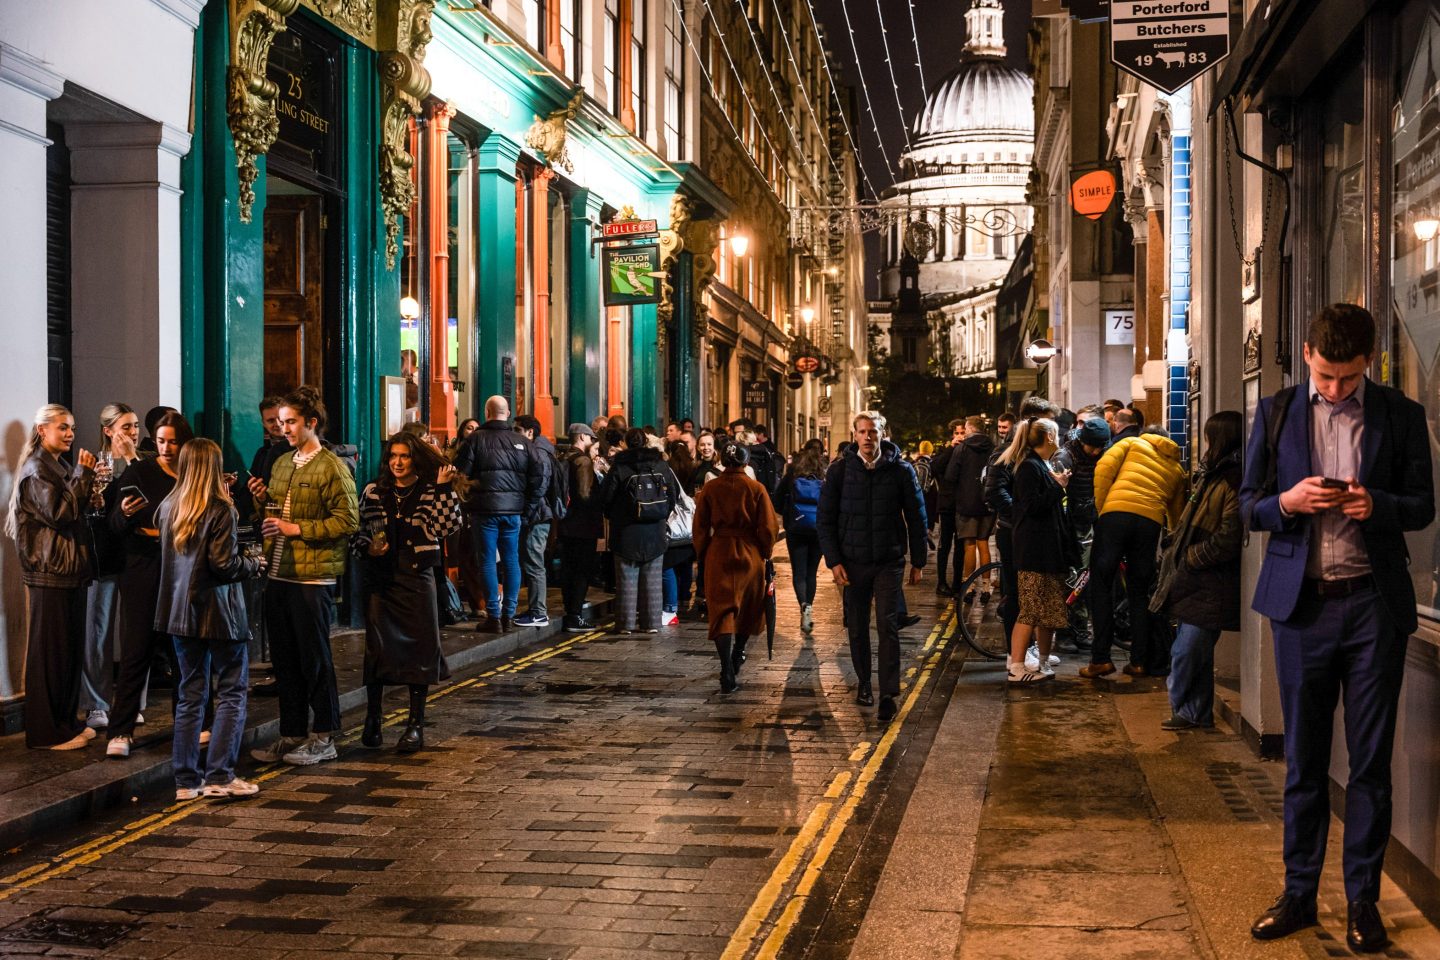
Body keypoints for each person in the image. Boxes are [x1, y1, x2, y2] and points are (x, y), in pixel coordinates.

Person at [1240, 304, 1434, 952]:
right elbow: (1247, 507)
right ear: (1306, 354)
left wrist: (1376, 505)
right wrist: (1287, 503)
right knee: (1305, 762)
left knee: (1371, 765)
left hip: (1374, 607)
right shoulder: (1275, 414)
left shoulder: (1400, 417)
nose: (1335, 390)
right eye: (1325, 376)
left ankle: (1363, 904)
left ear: (1370, 363)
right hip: (1303, 609)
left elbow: (1423, 505)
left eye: (1348, 379)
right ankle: (1299, 895)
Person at [248, 385, 359, 766]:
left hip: (313, 579)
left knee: (315, 659)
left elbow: (348, 520)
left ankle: (324, 735)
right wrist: (261, 501)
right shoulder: (281, 463)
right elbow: (274, 514)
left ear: (311, 422)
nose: (284, 429)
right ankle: (292, 733)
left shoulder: (332, 466)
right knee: (285, 660)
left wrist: (297, 529)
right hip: (279, 572)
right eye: (280, 423)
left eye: (291, 422)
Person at [155, 438, 264, 799]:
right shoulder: (221, 509)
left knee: (190, 695)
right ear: (215, 468)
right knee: (232, 691)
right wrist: (253, 563)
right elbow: (225, 565)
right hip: (220, 614)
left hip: (179, 614)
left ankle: (186, 781)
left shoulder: (168, 506)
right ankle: (220, 775)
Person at [355, 433, 464, 753]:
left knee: (420, 652)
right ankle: (372, 718)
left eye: (404, 456)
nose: (397, 463)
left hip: (418, 580)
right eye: (393, 456)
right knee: (377, 652)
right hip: (383, 582)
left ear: (414, 458)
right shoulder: (374, 492)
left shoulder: (431, 491)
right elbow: (358, 535)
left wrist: (444, 488)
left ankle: (415, 725)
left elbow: (448, 527)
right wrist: (370, 548)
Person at [817, 411, 927, 722]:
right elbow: (824, 520)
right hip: (852, 563)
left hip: (888, 561)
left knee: (888, 625)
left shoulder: (902, 471)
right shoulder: (839, 472)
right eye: (862, 431)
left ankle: (888, 693)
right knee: (857, 626)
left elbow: (917, 518)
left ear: (882, 434)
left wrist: (918, 561)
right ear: (855, 436)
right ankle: (864, 681)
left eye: (873, 432)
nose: (868, 437)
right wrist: (834, 561)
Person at [7, 405, 97, 750]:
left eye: (72, 427)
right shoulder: (38, 468)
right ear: (42, 430)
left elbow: (71, 509)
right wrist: (83, 475)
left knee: (69, 651)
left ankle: (65, 722)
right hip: (50, 571)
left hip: (67, 569)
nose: (70, 434)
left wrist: (88, 485)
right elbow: (60, 514)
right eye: (63, 427)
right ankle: (46, 732)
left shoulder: (56, 465)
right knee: (51, 652)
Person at [104, 411, 194, 757]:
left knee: (183, 649)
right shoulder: (140, 470)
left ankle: (191, 724)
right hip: (142, 566)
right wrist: (125, 514)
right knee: (135, 649)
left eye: (172, 441)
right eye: (160, 441)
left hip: (181, 567)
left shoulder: (193, 474)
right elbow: (114, 524)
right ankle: (121, 731)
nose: (166, 448)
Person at [1150, 411, 1242, 730]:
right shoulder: (1212, 474)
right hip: (1196, 579)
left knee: (1187, 650)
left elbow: (1229, 536)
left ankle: (1188, 709)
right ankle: (1194, 713)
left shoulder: (1231, 478)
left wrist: (1191, 556)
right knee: (1195, 652)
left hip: (1209, 579)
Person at [1082, 425, 1186, 679]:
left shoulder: (1130, 444)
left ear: (1147, 436)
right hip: (1149, 523)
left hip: (1115, 517)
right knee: (1139, 592)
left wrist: (1103, 506)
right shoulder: (1176, 468)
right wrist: (1172, 536)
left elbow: (1103, 469)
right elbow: (1177, 512)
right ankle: (1139, 662)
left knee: (1102, 585)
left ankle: (1101, 659)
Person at [453, 395, 543, 633]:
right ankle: (509, 614)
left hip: (484, 511)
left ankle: (493, 615)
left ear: (486, 412)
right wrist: (528, 507)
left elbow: (460, 474)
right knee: (512, 560)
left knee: (486, 562)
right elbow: (538, 477)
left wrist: (471, 498)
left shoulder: (475, 440)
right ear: (508, 412)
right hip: (513, 511)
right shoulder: (522, 441)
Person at [694, 441, 778, 692]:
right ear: (745, 461)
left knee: (721, 611)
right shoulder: (756, 488)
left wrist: (703, 552)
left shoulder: (711, 488)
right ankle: (738, 652)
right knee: (748, 608)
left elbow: (699, 526)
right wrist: (766, 553)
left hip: (719, 550)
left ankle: (725, 668)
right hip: (749, 552)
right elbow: (768, 528)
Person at [999, 418, 1073, 683]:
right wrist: (1058, 486)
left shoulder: (1041, 465)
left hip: (1049, 551)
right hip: (1033, 551)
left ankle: (1041, 663)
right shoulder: (1029, 467)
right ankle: (1016, 668)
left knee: (1049, 611)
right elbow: (1030, 507)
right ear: (1050, 436)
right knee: (1030, 610)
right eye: (1057, 433)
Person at [82, 403, 140, 731]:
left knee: (134, 634)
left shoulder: (141, 462)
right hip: (102, 556)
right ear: (108, 431)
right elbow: (89, 514)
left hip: (134, 557)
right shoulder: (94, 463)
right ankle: (95, 704)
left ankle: (133, 703)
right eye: (126, 427)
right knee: (97, 632)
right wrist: (92, 493)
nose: (133, 433)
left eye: (135, 426)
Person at [602, 427, 680, 634]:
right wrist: (660, 514)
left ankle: (626, 625)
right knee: (652, 580)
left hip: (626, 531)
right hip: (655, 530)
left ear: (625, 443)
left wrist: (615, 516)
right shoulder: (661, 465)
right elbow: (673, 495)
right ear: (646, 441)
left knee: (626, 579)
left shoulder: (619, 466)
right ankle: (652, 623)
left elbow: (606, 497)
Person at [1051, 416, 1111, 651]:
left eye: (1100, 447)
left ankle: (1080, 628)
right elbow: (1057, 495)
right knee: (1072, 578)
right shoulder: (1065, 457)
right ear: (1083, 441)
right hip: (1069, 526)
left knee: (1083, 579)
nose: (1096, 451)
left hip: (1090, 523)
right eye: (1093, 446)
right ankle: (1065, 630)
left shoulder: (1103, 453)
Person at [557, 423, 605, 633]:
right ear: (583, 437)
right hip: (583, 525)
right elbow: (585, 494)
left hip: (566, 523)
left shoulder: (564, 458)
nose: (593, 442)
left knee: (569, 569)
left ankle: (571, 609)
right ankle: (574, 615)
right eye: (591, 438)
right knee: (582, 570)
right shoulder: (583, 461)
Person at [776, 441, 826, 632]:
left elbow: (777, 501)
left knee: (799, 572)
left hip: (796, 529)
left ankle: (803, 605)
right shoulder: (824, 477)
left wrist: (789, 516)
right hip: (817, 529)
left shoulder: (791, 476)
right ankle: (809, 606)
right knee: (811, 572)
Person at [512, 414, 557, 628]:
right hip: (536, 515)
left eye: (518, 430)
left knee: (534, 562)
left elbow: (539, 488)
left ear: (530, 432)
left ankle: (539, 612)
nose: (514, 434)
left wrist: (526, 514)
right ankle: (534, 610)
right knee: (531, 561)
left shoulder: (539, 453)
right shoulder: (536, 450)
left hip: (538, 517)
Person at [948, 415, 996, 603]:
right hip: (986, 502)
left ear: (969, 429)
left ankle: (968, 588)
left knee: (969, 545)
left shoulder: (962, 448)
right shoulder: (992, 448)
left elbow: (951, 475)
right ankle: (986, 587)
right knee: (983, 544)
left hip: (966, 503)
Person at [662, 440, 698, 625]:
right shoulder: (693, 466)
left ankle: (671, 605)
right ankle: (684, 596)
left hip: (674, 525)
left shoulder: (668, 468)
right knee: (685, 565)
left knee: (669, 565)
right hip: (686, 525)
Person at [930, 420, 964, 596]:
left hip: (962, 505)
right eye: (957, 433)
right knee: (944, 545)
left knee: (960, 547)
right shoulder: (945, 451)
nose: (959, 436)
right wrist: (951, 449)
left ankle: (958, 583)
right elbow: (935, 467)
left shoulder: (968, 452)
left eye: (962, 433)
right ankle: (941, 582)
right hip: (946, 505)